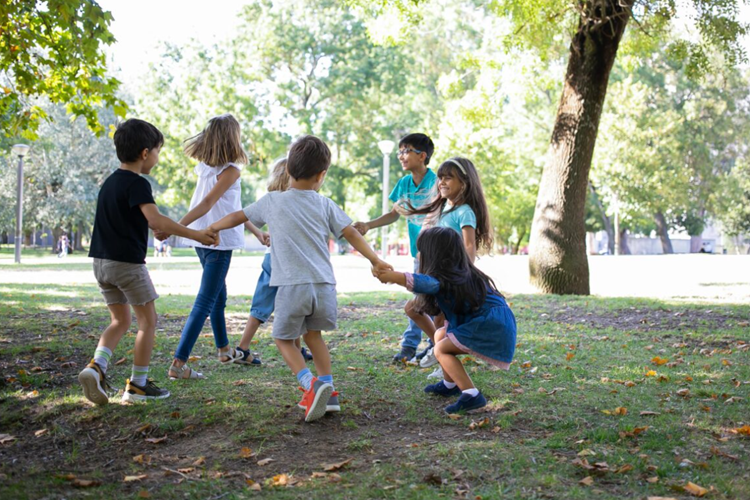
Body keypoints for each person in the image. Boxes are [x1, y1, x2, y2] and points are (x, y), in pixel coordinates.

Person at [208, 135, 392, 422]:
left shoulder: (272, 201)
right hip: (324, 286)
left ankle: (311, 384)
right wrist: (376, 259)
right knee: (314, 337)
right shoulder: (325, 204)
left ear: (288, 171)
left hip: (292, 286)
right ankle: (328, 392)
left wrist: (214, 227)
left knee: (282, 338)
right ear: (322, 176)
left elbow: (238, 216)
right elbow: (352, 233)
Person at [78, 118, 217, 405]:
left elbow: (139, 221)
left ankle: (97, 367)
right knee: (147, 322)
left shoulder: (109, 183)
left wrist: (158, 228)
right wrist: (196, 234)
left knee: (119, 320)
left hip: (101, 264)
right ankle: (138, 385)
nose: (157, 157)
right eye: (157, 151)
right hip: (127, 265)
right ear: (145, 153)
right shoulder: (138, 183)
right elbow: (155, 219)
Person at [154, 114, 263, 380]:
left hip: (202, 240)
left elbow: (234, 209)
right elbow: (205, 205)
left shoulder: (205, 168)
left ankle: (224, 350)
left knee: (218, 296)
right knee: (206, 300)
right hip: (216, 240)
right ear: (232, 138)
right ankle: (178, 364)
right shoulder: (230, 171)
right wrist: (173, 227)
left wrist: (258, 232)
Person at [375, 227, 516, 414]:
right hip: (491, 323)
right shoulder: (459, 274)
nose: (418, 255)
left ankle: (472, 395)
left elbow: (426, 283)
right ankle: (450, 384)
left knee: (441, 349)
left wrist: (395, 277)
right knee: (440, 335)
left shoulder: (446, 278)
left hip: (489, 325)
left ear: (434, 255)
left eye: (421, 251)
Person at [405, 156, 493, 376]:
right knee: (416, 310)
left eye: (448, 178)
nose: (442, 182)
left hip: (452, 278)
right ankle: (439, 351)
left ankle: (443, 360)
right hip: (436, 274)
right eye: (440, 178)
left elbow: (469, 245)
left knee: (439, 319)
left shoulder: (464, 212)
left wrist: (465, 274)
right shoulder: (443, 208)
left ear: (463, 182)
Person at [353, 133, 437, 363]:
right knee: (421, 299)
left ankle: (414, 346)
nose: (401, 156)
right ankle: (430, 344)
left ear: (422, 156)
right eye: (399, 151)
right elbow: (393, 214)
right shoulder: (404, 184)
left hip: (437, 254)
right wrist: (368, 225)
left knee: (423, 300)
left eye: (406, 151)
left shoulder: (437, 182)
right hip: (418, 254)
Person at [232, 157, 312, 366]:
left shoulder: (271, 200)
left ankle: (244, 347)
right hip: (286, 261)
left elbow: (245, 214)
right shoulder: (296, 201)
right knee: (291, 303)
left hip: (271, 258)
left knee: (264, 305)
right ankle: (246, 348)